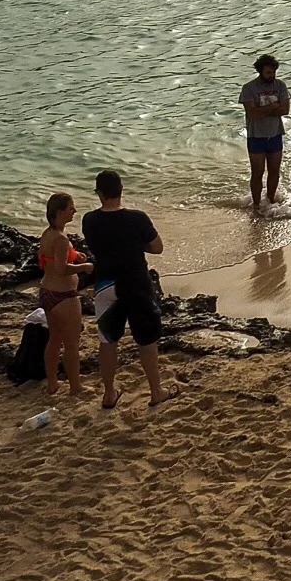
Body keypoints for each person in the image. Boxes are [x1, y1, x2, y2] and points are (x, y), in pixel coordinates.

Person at [82, 169, 175, 411]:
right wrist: (135, 244)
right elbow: (157, 248)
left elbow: (95, 244)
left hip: (105, 284)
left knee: (108, 340)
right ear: (121, 190)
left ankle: (109, 393)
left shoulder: (89, 220)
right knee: (146, 339)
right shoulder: (137, 219)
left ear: (99, 194)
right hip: (136, 282)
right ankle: (156, 391)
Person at [38, 190, 87, 400]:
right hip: (64, 295)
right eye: (70, 208)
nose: (74, 211)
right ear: (59, 212)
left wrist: (75, 256)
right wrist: (84, 267)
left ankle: (52, 383)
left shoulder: (47, 234)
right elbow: (61, 269)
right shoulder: (60, 239)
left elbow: (49, 261)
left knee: (54, 340)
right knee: (71, 343)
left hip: (47, 292)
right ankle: (76, 387)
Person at [239, 54, 291, 208]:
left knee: (274, 170)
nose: (271, 76)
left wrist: (264, 110)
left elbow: (285, 110)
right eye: (268, 72)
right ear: (260, 71)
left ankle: (271, 200)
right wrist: (273, 106)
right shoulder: (249, 88)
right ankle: (256, 204)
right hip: (256, 136)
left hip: (275, 134)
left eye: (273, 72)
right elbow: (253, 114)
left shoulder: (280, 85)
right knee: (257, 172)